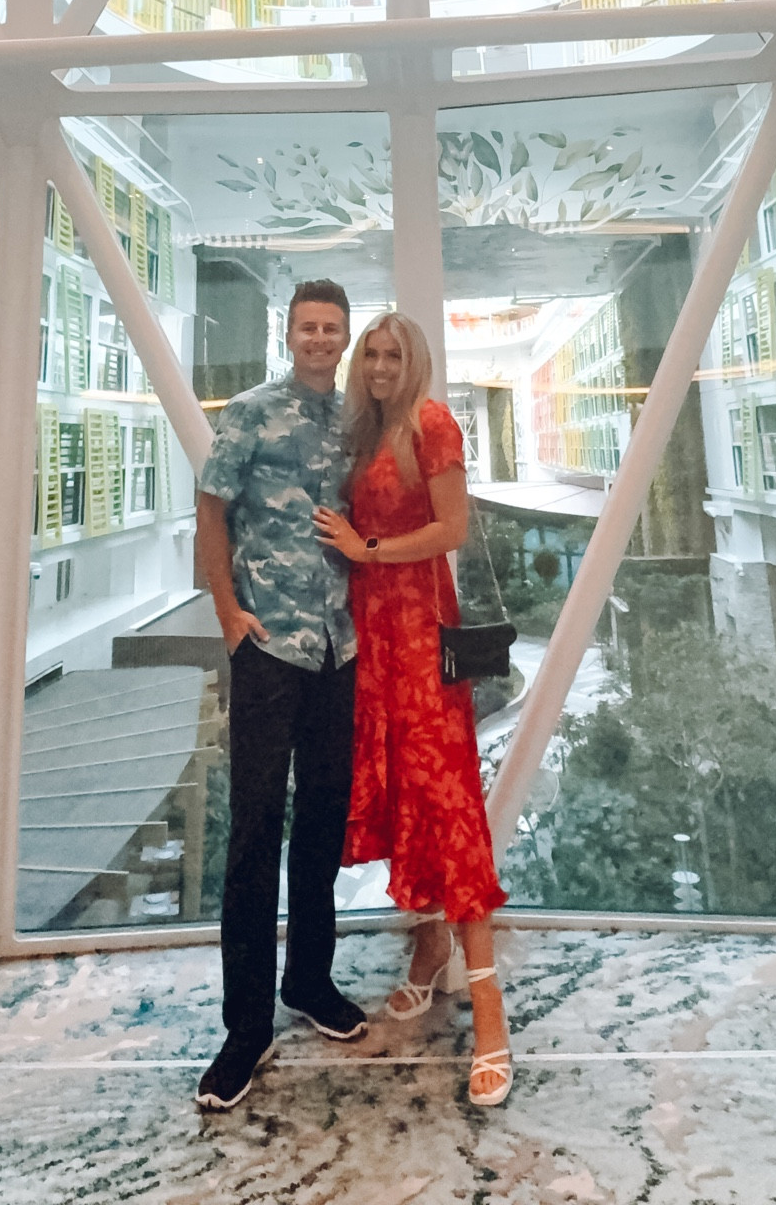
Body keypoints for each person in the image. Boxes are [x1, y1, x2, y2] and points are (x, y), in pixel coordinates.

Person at [313, 311, 512, 1109]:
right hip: (372, 646)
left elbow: (453, 527)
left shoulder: (431, 423)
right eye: (373, 353)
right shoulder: (363, 432)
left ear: (416, 361)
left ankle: (492, 1022)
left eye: (394, 354)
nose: (381, 364)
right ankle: (426, 959)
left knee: (448, 803)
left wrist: (368, 550)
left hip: (422, 638)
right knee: (404, 802)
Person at [192, 279, 366, 1111]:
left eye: (332, 328)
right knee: (255, 832)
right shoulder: (251, 412)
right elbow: (211, 509)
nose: (320, 340)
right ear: (287, 332)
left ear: (345, 336)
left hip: (341, 649)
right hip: (268, 647)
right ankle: (245, 1028)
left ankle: (310, 982)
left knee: (323, 822)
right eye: (308, 327)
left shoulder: (356, 421)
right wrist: (227, 613)